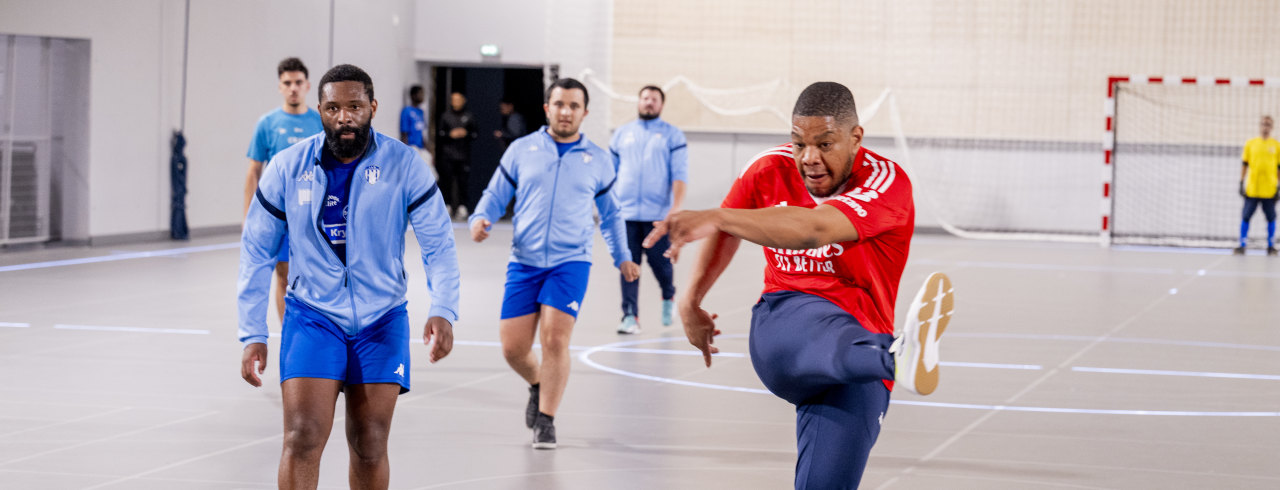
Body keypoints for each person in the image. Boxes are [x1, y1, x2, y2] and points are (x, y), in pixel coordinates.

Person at [644, 81, 954, 489]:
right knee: (819, 325)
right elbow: (728, 227)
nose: (809, 158)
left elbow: (814, 229)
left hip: (857, 361)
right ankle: (899, 354)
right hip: (784, 327)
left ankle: (894, 356)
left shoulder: (885, 183)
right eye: (799, 143)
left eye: (824, 144)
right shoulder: (767, 169)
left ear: (855, 138)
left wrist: (718, 216)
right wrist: (690, 301)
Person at [238, 64, 460, 489]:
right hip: (312, 315)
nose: (344, 117)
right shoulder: (287, 167)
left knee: (370, 441)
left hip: (382, 319)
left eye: (355, 107)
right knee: (302, 436)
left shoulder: (404, 164)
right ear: (319, 111)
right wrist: (253, 332)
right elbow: (256, 252)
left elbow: (439, 244)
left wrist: (444, 308)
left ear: (372, 107)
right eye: (333, 108)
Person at [469, 78, 640, 450]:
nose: (566, 112)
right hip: (524, 260)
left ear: (585, 113)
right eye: (560, 104)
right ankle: (537, 383)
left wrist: (622, 256)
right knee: (513, 348)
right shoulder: (522, 150)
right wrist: (481, 217)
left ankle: (546, 420)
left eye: (574, 106)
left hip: (571, 261)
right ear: (547, 108)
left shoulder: (598, 160)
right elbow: (496, 194)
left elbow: (612, 215)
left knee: (555, 339)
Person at [244, 57, 324, 325]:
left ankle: (318, 330)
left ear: (307, 85)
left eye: (298, 82)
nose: (293, 88)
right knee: (284, 277)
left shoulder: (320, 122)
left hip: (314, 214)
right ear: (280, 87)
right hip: (280, 215)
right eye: (287, 83)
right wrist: (249, 218)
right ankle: (288, 333)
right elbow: (254, 172)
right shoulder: (267, 124)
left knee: (317, 277)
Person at [609, 85, 688, 334]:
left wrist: (675, 209)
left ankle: (668, 295)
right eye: (645, 98)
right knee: (628, 266)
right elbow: (609, 175)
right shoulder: (622, 134)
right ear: (638, 102)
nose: (649, 102)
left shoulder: (672, 136)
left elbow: (679, 175)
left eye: (654, 99)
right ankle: (630, 316)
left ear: (661, 105)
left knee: (661, 266)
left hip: (657, 217)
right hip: (626, 215)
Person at [1236, 115, 1280, 256]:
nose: (1265, 127)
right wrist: (1241, 182)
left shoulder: (1276, 145)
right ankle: (1242, 245)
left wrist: (1278, 187)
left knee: (1271, 218)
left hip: (1269, 190)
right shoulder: (1251, 144)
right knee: (1246, 216)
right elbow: (1245, 164)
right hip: (1253, 189)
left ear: (1271, 127)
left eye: (1268, 124)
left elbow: (1279, 168)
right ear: (1260, 126)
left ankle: (1271, 246)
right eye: (1263, 124)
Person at [437, 91, 477, 220]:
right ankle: (447, 205)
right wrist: (450, 134)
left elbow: (475, 133)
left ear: (463, 101)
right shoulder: (446, 116)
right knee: (446, 181)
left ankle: (462, 207)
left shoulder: (468, 116)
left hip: (463, 155)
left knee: (462, 182)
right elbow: (440, 133)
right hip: (448, 155)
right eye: (453, 100)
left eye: (458, 99)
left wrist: (466, 133)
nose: (456, 102)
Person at [399, 84, 435, 177]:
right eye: (420, 93)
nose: (423, 96)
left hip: (421, 148)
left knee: (431, 175)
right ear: (413, 95)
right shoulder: (407, 111)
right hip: (412, 147)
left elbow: (422, 132)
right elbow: (404, 133)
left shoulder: (421, 112)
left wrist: (428, 149)